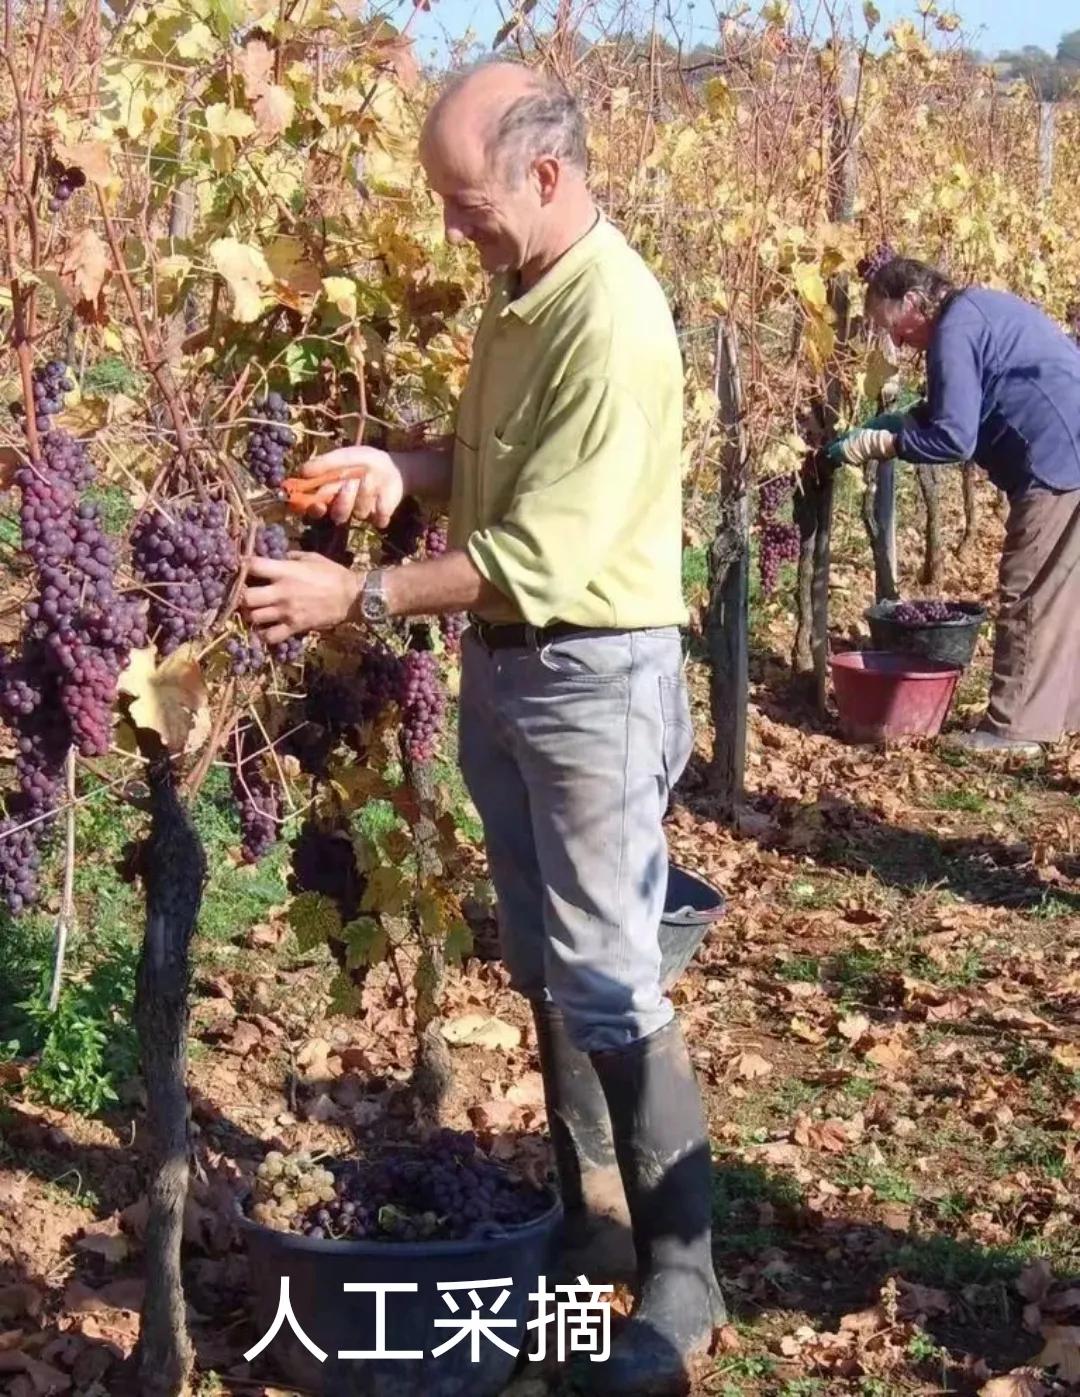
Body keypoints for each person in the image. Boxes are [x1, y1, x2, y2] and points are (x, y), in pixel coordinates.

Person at [243, 60, 724, 1394]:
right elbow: (495, 469)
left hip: (593, 678)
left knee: (613, 969)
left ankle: (683, 1281)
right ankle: (591, 1216)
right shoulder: (523, 295)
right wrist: (406, 466)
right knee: (547, 955)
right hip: (512, 675)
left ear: (547, 176)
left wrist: (365, 592)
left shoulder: (611, 322)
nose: (455, 223)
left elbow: (536, 547)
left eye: (467, 200)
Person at [828, 255, 1080, 756]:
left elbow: (954, 439)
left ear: (916, 303)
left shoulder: (953, 331)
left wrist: (885, 445)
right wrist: (904, 420)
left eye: (893, 327)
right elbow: (962, 402)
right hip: (1071, 445)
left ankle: (1013, 730)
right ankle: (1061, 714)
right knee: (1063, 593)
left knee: (1026, 589)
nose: (896, 343)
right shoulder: (977, 309)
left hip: (1058, 458)